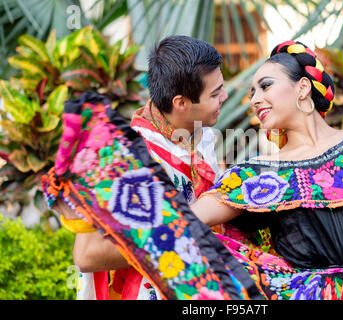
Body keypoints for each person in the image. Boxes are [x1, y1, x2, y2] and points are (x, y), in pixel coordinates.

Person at [47, 40, 343, 300]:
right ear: (182, 103)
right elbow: (179, 227)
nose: (248, 98)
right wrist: (87, 223)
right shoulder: (257, 176)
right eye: (237, 90)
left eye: (265, 85)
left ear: (303, 88)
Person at [51, 35, 228, 300]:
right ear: (181, 103)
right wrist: (181, 231)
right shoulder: (124, 159)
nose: (225, 96)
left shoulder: (201, 135)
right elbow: (87, 256)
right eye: (215, 94)